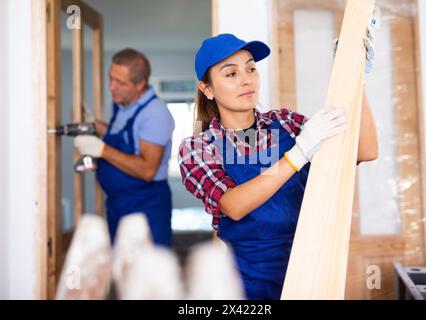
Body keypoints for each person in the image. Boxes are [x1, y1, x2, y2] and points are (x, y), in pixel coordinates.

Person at [178, 34, 378, 299]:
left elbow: (365, 151)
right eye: (231, 74)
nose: (246, 79)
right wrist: (298, 154)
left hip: (310, 271)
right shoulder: (198, 147)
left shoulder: (285, 123)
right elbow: (233, 205)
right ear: (208, 89)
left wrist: (355, 78)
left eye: (251, 68)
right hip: (248, 283)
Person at [75, 48, 175, 246]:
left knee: (145, 271)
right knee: (121, 268)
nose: (112, 87)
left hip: (145, 205)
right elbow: (126, 137)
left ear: (140, 84)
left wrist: (101, 149)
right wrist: (97, 127)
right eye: (110, 79)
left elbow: (147, 170)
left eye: (120, 83)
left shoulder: (155, 114)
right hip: (118, 204)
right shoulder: (124, 104)